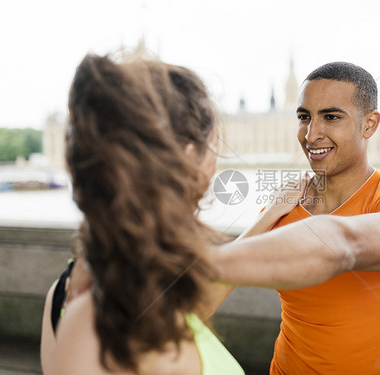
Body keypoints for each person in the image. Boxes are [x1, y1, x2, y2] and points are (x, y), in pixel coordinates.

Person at [210, 62, 380, 374]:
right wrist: (267, 216)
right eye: (304, 117)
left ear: (370, 124)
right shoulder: (284, 207)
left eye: (331, 117)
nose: (311, 134)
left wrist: (202, 261)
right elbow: (201, 301)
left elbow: (343, 246)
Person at [41, 53, 261, 375]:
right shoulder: (107, 322)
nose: (217, 160)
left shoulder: (66, 293)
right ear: (187, 159)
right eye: (212, 145)